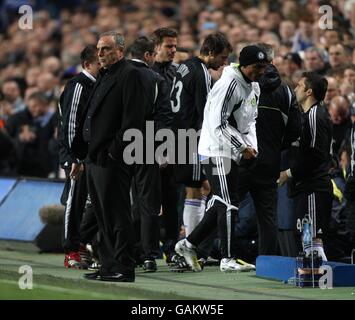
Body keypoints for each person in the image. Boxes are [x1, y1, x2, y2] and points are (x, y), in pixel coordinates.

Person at [175, 45, 268, 272]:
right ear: (244, 66)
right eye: (257, 67)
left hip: (231, 151)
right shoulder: (229, 84)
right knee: (229, 202)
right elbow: (218, 124)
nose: (261, 71)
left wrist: (251, 146)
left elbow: (250, 121)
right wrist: (242, 146)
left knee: (220, 201)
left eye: (264, 67)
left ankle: (188, 244)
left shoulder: (253, 86)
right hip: (215, 148)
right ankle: (228, 259)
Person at [72, 31, 145, 282]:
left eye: (106, 49)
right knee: (103, 217)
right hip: (95, 157)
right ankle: (108, 265)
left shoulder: (130, 75)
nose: (100, 53)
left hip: (111, 158)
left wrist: (114, 151)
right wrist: (81, 154)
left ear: (120, 52)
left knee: (117, 215)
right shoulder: (104, 75)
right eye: (99, 49)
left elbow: (133, 119)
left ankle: (123, 267)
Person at [171, 32, 232, 263]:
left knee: (195, 189)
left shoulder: (184, 67)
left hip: (178, 136)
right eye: (222, 57)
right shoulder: (202, 74)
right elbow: (206, 113)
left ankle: (190, 246)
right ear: (209, 53)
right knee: (197, 189)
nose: (224, 62)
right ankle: (190, 248)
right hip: (192, 138)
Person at [236, 43, 302, 256]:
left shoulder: (241, 86)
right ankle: (267, 262)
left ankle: (209, 251)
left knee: (225, 206)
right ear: (272, 62)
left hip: (241, 159)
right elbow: (295, 131)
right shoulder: (286, 92)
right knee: (268, 217)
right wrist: (274, 146)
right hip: (269, 162)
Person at [128, 36, 172, 272]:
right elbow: (163, 116)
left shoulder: (115, 75)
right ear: (147, 56)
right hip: (145, 144)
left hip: (116, 146)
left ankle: (120, 251)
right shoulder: (155, 78)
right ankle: (148, 254)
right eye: (154, 54)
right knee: (148, 203)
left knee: (118, 201)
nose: (155, 59)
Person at [278, 72, 332, 261]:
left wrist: (289, 173)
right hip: (306, 187)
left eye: (299, 85)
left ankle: (316, 277)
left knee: (311, 237)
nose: (295, 89)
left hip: (314, 188)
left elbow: (316, 155)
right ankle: (315, 275)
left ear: (309, 91)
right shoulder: (305, 115)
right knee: (307, 236)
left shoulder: (315, 116)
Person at [57, 45, 100, 269]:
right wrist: (75, 157)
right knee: (75, 202)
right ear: (87, 65)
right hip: (78, 157)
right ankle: (71, 250)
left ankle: (83, 243)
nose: (103, 66)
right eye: (99, 63)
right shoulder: (78, 86)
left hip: (92, 156)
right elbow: (70, 125)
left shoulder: (97, 85)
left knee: (95, 202)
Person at [151, 27, 181, 263]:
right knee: (146, 201)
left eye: (175, 46)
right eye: (168, 46)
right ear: (156, 46)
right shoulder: (145, 73)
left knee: (172, 200)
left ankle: (170, 248)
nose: (173, 50)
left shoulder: (177, 74)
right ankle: (146, 249)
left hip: (174, 146)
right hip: (143, 146)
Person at [5, 91, 56, 177]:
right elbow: (6, 142)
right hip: (20, 168)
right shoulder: (17, 119)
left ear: (44, 104)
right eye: (30, 107)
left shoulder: (55, 119)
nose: (32, 109)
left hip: (45, 169)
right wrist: (20, 139)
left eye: (35, 106)